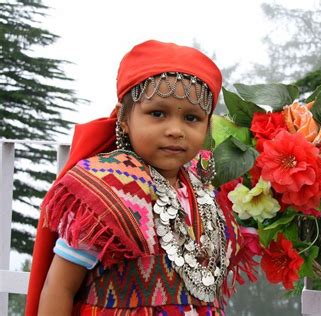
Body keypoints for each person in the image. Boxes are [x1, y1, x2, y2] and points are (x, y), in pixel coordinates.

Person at [25, 40, 260, 316]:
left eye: (192, 118)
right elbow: (60, 286)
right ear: (124, 118)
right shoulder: (106, 190)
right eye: (158, 114)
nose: (176, 130)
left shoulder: (208, 187)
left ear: (208, 125)